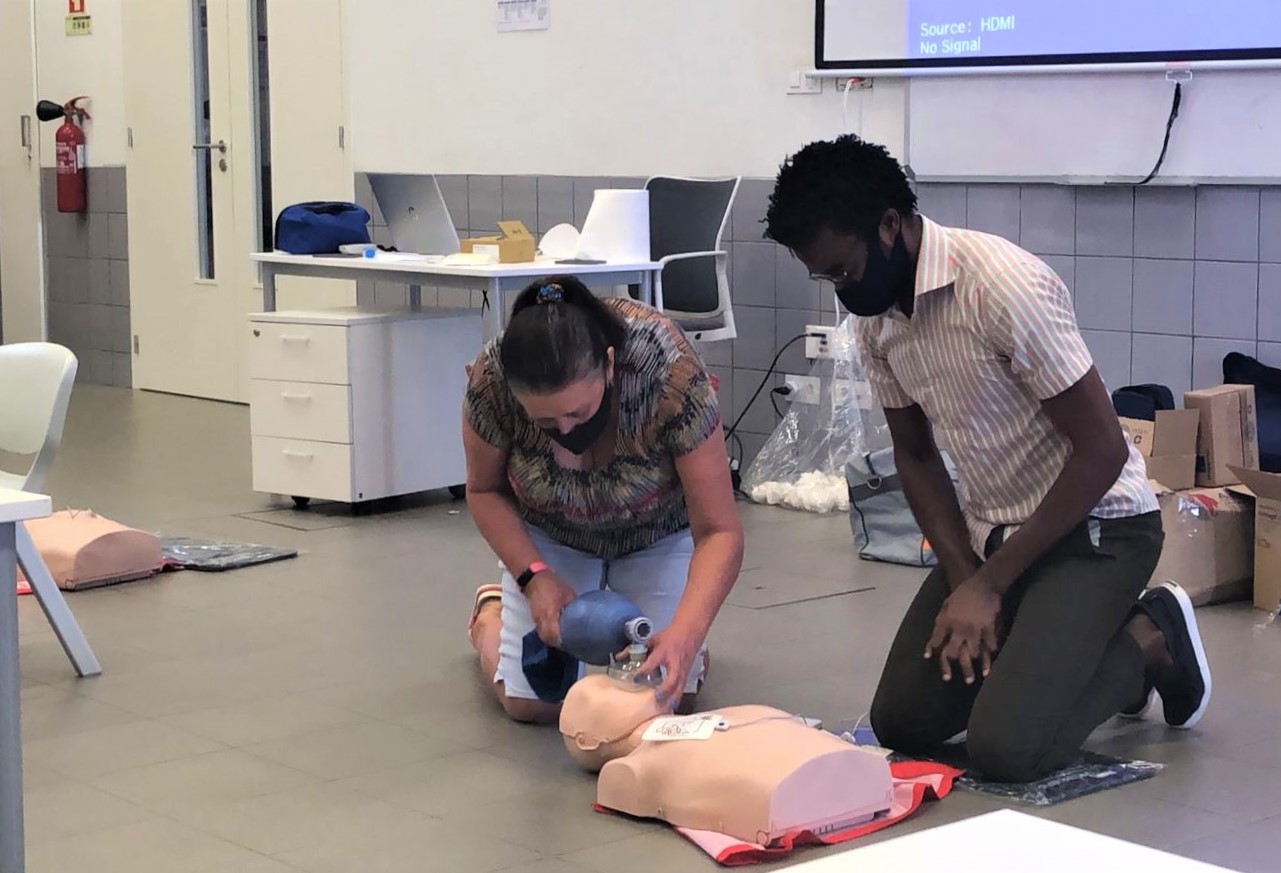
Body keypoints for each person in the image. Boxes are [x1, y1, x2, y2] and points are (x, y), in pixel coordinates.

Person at [762, 136, 1211, 783]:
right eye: (824, 276)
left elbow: (1103, 449)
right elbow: (914, 455)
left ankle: (1148, 639)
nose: (841, 291)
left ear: (889, 225)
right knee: (904, 722)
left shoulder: (1000, 285)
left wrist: (989, 585)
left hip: (1097, 533)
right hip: (992, 539)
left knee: (1008, 750)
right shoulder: (878, 320)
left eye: (843, 270)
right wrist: (962, 574)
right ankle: (1040, 651)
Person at [463, 276, 744, 723]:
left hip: (657, 527)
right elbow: (483, 490)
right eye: (546, 421)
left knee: (664, 701)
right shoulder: (492, 380)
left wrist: (686, 635)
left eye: (578, 412)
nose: (567, 430)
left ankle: (695, 654)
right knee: (534, 702)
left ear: (609, 366)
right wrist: (535, 578)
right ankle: (491, 614)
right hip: (550, 529)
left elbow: (719, 530)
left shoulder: (669, 372)